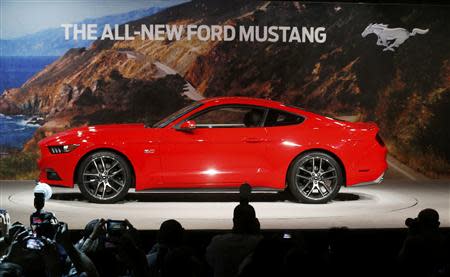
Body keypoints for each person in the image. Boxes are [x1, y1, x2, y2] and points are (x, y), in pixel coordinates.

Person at [206, 188, 262, 277]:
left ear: (234, 221)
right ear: (255, 222)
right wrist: (258, 233)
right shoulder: (259, 244)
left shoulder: (218, 242)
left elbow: (210, 261)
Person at [398, 208, 447, 276]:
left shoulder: (414, 242)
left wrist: (411, 233)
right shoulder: (443, 240)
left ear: (419, 223)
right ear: (438, 224)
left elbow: (401, 261)